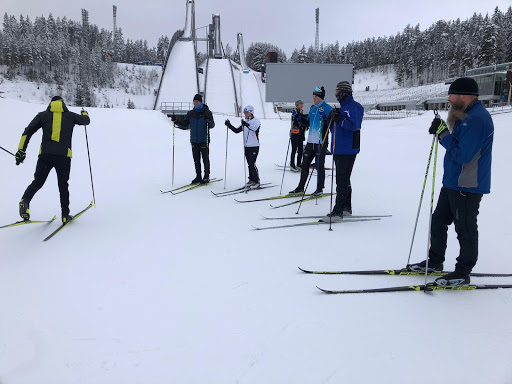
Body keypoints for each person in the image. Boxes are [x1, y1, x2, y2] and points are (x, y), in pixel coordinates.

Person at [408, 77, 494, 287]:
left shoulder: (476, 120)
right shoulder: (466, 115)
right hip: (453, 183)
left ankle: (462, 272)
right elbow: (458, 145)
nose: (448, 99)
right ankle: (435, 260)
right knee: (438, 221)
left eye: (452, 95)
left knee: (464, 228)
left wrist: (443, 134)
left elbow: (463, 155)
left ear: (464, 95)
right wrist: (442, 131)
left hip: (467, 185)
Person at [15, 96, 90, 223]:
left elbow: (27, 132)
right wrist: (84, 113)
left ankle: (25, 201)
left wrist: (21, 151)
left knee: (38, 182)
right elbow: (86, 121)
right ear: (63, 104)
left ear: (51, 104)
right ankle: (65, 215)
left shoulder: (42, 115)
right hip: (63, 156)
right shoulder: (70, 116)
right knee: (63, 185)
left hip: (45, 155)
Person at [322, 81, 364, 222]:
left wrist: (339, 119)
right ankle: (346, 207)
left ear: (344, 92)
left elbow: (354, 125)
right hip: (338, 148)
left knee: (342, 180)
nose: (335, 94)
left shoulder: (355, 107)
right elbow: (335, 128)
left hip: (348, 149)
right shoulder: (341, 108)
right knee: (345, 179)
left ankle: (338, 211)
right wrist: (330, 119)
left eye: (337, 91)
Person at [289, 86, 333, 196]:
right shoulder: (313, 109)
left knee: (319, 166)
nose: (313, 98)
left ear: (320, 97)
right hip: (310, 142)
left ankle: (319, 189)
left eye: (315, 96)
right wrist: (298, 117)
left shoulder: (328, 108)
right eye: (313, 96)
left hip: (320, 142)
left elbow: (330, 126)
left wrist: (326, 118)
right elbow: (307, 123)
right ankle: (300, 188)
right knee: (304, 165)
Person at [171, 94, 215, 184]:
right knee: (196, 159)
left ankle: (206, 176)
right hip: (194, 140)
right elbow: (185, 124)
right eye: (194, 102)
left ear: (201, 102)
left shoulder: (207, 112)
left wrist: (209, 121)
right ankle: (198, 176)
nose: (195, 103)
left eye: (197, 102)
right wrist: (176, 121)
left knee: (205, 159)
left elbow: (212, 125)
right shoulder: (191, 113)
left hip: (204, 139)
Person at [224, 105, 261, 189]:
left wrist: (246, 124)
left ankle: (257, 181)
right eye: (244, 112)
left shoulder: (256, 121)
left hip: (254, 145)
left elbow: (255, 129)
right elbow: (237, 130)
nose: (245, 114)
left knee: (252, 163)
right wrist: (229, 125)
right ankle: (251, 179)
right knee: (249, 164)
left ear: (251, 112)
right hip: (247, 146)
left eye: (246, 112)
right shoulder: (245, 122)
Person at [290, 100, 308, 171]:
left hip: (301, 134)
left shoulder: (301, 112)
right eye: (300, 104)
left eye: (302, 104)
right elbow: (297, 121)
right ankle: (292, 164)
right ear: (297, 105)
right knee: (294, 149)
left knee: (300, 149)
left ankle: (298, 164)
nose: (301, 105)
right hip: (295, 133)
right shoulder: (295, 112)